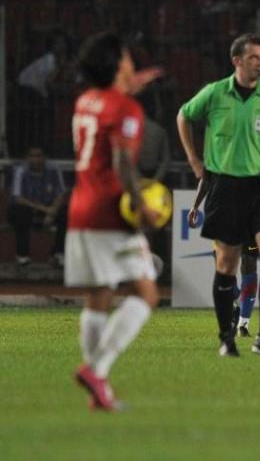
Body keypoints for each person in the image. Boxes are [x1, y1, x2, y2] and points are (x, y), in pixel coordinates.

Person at [177, 33, 260, 358]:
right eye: (254, 57)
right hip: (226, 187)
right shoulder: (215, 93)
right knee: (227, 264)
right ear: (238, 61)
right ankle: (226, 336)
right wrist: (193, 159)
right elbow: (183, 116)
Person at [67, 31, 162, 411]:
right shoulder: (126, 110)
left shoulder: (86, 101)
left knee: (97, 300)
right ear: (116, 64)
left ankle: (98, 387)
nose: (131, 62)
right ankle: (98, 371)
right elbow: (123, 163)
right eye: (125, 58)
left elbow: (107, 110)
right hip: (112, 213)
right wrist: (142, 206)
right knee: (146, 294)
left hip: (80, 211)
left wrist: (124, 89)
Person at [8, 146, 67, 266]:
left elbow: (61, 193)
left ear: (45, 158)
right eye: (32, 156)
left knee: (66, 212)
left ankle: (58, 254)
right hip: (26, 208)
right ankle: (22, 255)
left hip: (47, 208)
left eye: (39, 156)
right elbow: (18, 198)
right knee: (21, 212)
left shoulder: (54, 170)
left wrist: (53, 211)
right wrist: (47, 210)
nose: (35, 159)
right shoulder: (21, 171)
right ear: (26, 158)